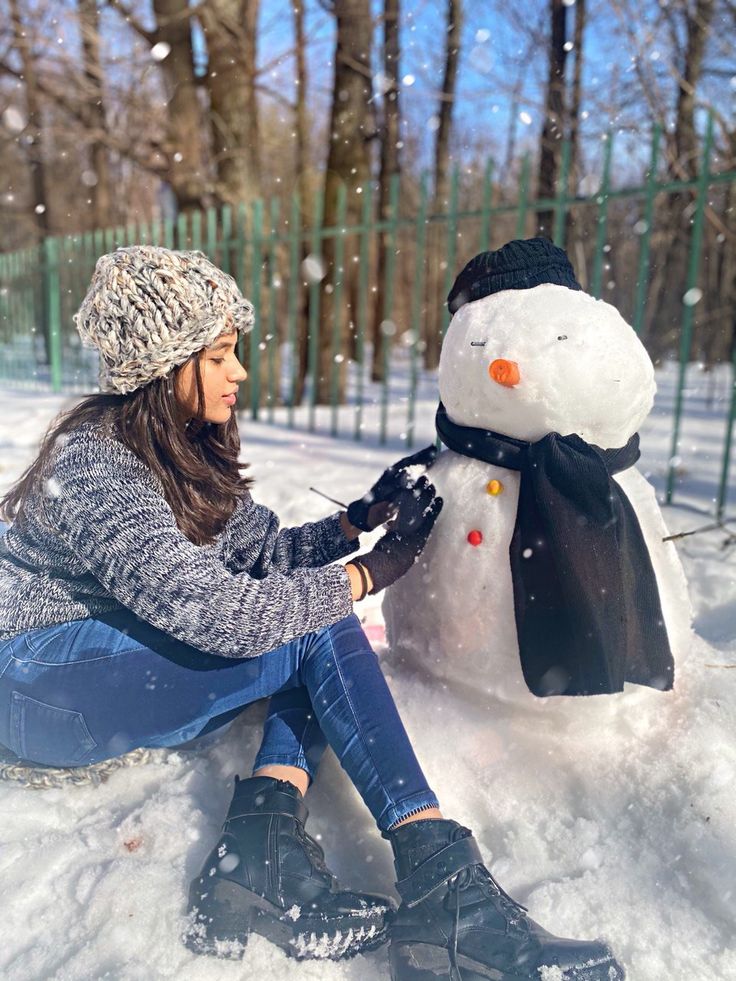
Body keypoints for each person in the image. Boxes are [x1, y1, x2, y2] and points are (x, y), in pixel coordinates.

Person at [0, 247, 624, 980]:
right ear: (166, 366)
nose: (239, 373)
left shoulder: (175, 446)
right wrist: (365, 576)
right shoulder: (97, 465)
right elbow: (215, 610)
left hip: (97, 665)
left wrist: (357, 520)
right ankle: (441, 885)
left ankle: (259, 850)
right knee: (309, 622)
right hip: (35, 683)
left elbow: (258, 552)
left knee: (302, 621)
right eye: (222, 355)